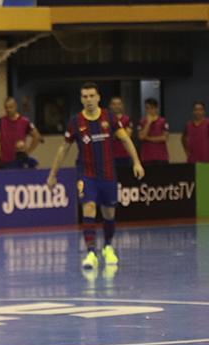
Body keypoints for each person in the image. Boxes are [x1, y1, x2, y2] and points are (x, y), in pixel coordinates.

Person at [46, 82, 144, 271]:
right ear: (81, 99)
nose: (89, 100)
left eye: (92, 96)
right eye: (85, 96)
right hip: (86, 174)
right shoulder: (75, 122)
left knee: (109, 213)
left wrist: (137, 162)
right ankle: (91, 252)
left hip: (107, 174)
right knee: (89, 207)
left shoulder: (110, 117)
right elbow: (63, 148)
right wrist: (53, 174)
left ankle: (107, 247)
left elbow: (125, 139)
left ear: (98, 97)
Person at [0, 97, 41, 169]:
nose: (8, 110)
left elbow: (37, 136)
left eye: (11, 107)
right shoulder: (0, 121)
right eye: (6, 108)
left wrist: (28, 151)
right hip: (4, 162)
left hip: (19, 163)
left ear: (15, 106)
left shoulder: (25, 121)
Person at [138, 97, 169, 165]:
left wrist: (148, 138)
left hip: (161, 157)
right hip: (146, 157)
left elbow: (164, 138)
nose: (149, 110)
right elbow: (141, 137)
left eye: (151, 108)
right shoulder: (142, 122)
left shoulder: (163, 121)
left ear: (156, 109)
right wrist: (148, 123)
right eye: (147, 108)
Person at [108, 96, 135, 168]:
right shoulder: (106, 120)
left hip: (125, 155)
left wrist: (114, 134)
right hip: (110, 156)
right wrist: (120, 134)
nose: (116, 106)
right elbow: (106, 136)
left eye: (118, 104)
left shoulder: (127, 119)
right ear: (110, 106)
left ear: (122, 105)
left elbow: (127, 136)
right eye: (114, 104)